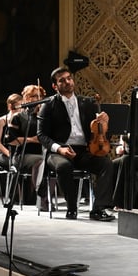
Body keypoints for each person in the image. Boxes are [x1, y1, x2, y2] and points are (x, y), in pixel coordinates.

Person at [37, 66, 116, 221]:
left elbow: (102, 132)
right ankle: (72, 207)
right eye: (62, 80)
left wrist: (106, 123)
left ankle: (98, 209)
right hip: (58, 151)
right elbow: (41, 135)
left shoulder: (87, 103)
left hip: (83, 150)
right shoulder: (49, 105)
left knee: (106, 164)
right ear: (55, 86)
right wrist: (59, 149)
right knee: (63, 166)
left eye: (69, 78)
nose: (67, 82)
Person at [0, 93, 22, 168]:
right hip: (3, 154)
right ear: (10, 106)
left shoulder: (22, 121)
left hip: (17, 154)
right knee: (17, 164)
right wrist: (9, 154)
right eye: (19, 106)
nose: (22, 109)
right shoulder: (1, 120)